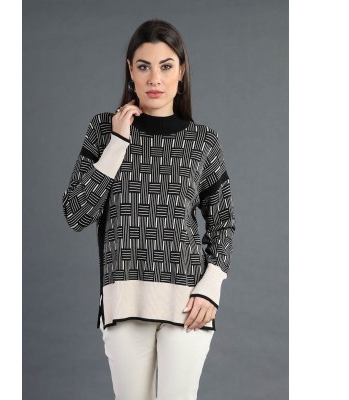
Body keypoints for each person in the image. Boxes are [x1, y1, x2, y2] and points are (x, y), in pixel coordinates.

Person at [62, 19, 236, 400]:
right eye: (144, 66)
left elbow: (223, 222)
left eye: (166, 66)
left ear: (181, 71)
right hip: (124, 302)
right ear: (130, 70)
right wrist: (117, 143)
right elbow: (76, 213)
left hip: (188, 303)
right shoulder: (103, 131)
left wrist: (210, 288)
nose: (154, 78)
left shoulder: (203, 141)